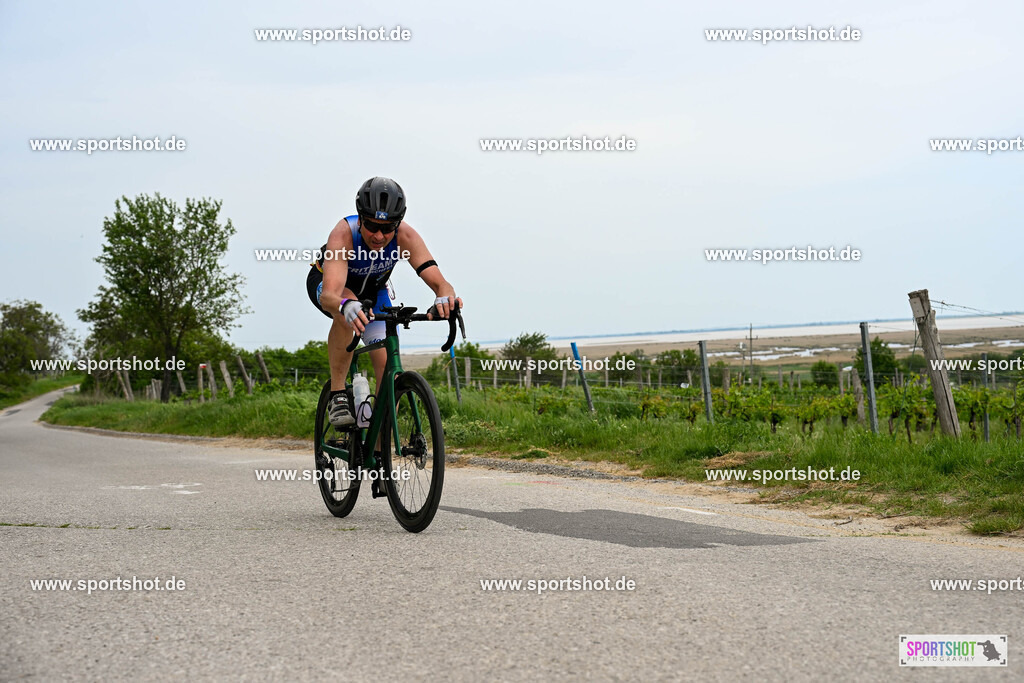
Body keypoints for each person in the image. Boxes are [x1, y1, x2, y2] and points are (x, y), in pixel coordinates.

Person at [306, 177, 462, 426]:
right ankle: (337, 395)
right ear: (361, 218)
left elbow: (440, 282)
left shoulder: (406, 236)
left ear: (398, 224)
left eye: (388, 228)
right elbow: (331, 294)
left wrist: (445, 297)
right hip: (331, 284)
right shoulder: (344, 233)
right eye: (371, 226)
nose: (379, 235)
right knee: (348, 308)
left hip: (375, 291)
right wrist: (345, 306)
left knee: (390, 373)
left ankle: (378, 455)